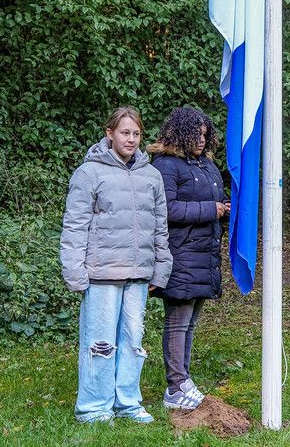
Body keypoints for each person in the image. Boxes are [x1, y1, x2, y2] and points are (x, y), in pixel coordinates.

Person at [60, 106, 173, 423]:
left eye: (136, 133)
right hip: (101, 275)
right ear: (110, 134)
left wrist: (160, 268)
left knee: (132, 342)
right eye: (125, 132)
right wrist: (74, 272)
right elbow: (74, 225)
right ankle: (94, 408)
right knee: (100, 344)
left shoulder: (151, 175)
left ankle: (128, 402)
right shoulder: (89, 173)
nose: (131, 139)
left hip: (138, 275)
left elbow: (159, 227)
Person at [147, 106, 229, 410]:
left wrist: (223, 206)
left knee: (191, 322)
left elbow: (209, 201)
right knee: (178, 322)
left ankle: (184, 379)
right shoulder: (166, 165)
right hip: (179, 255)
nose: (201, 140)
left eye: (205, 135)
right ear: (179, 132)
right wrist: (212, 209)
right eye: (196, 134)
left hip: (203, 254)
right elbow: (166, 209)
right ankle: (175, 386)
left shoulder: (205, 166)